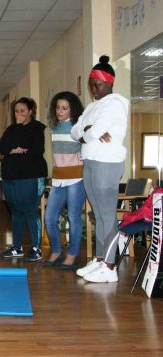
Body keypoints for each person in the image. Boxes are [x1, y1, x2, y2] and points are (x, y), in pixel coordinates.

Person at [71, 55, 128, 283]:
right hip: (90, 161)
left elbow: (91, 134)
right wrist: (88, 128)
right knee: (97, 214)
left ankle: (110, 265)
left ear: (110, 82)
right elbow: (75, 131)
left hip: (107, 163)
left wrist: (89, 132)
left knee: (107, 215)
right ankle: (100, 259)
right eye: (91, 85)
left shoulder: (116, 103)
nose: (94, 89)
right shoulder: (93, 107)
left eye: (98, 85)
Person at [0, 97, 48, 262]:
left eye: (22, 111)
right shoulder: (11, 129)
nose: (19, 114)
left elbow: (37, 149)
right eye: (16, 111)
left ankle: (36, 248)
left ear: (31, 111)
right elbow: (1, 147)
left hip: (30, 176)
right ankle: (17, 247)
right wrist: (13, 150)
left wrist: (17, 150)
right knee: (16, 211)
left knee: (30, 211)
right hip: (10, 176)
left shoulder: (37, 128)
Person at [44, 92, 85, 270]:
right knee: (50, 217)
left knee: (74, 217)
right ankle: (56, 251)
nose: (60, 111)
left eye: (64, 108)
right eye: (58, 107)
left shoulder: (78, 128)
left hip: (76, 178)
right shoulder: (54, 128)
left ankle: (72, 254)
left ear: (72, 109)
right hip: (58, 179)